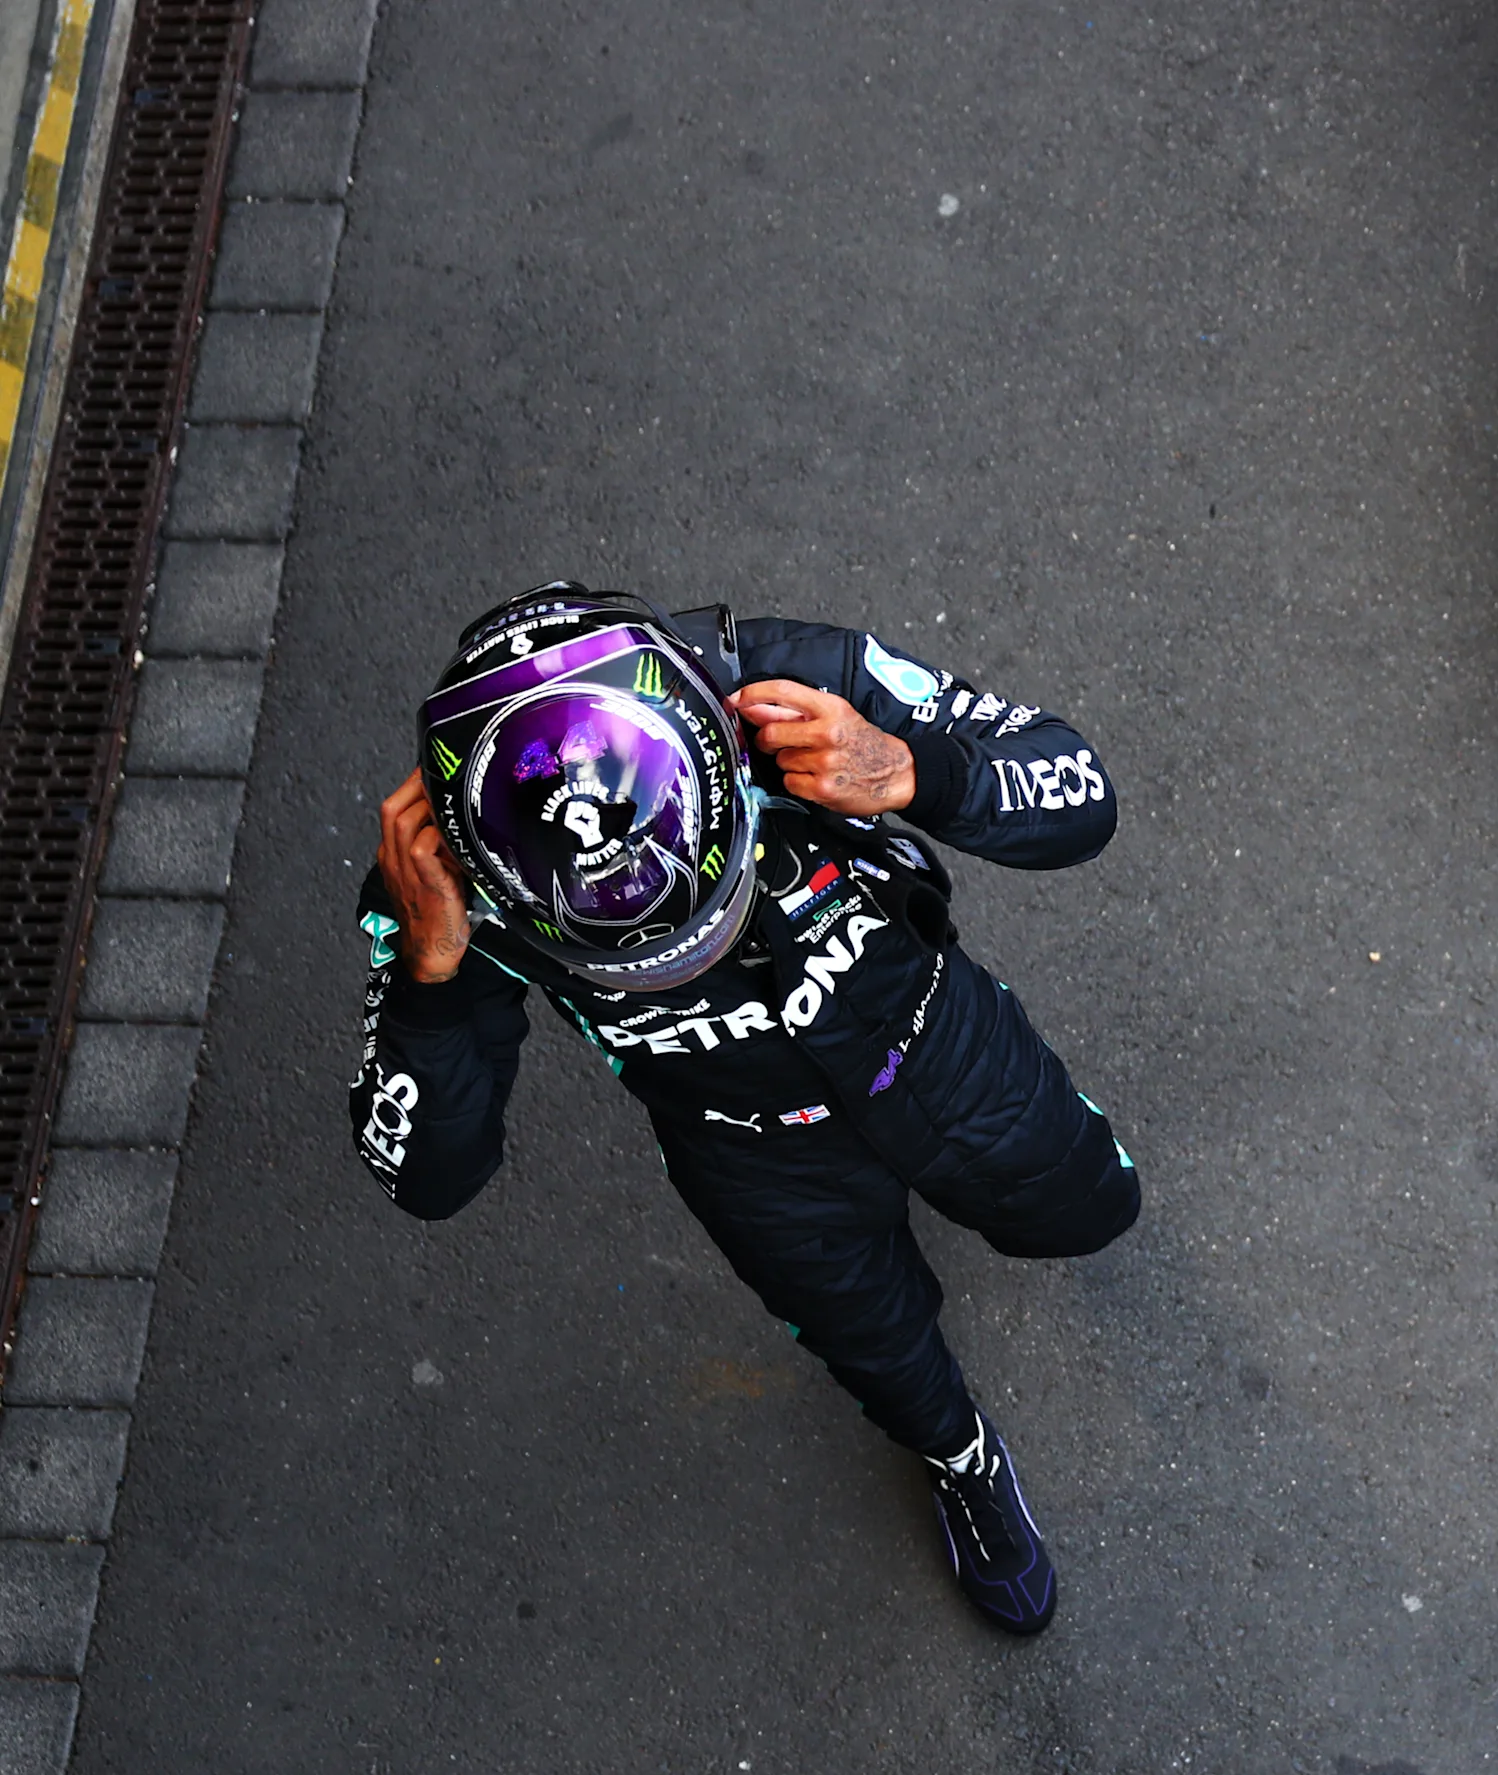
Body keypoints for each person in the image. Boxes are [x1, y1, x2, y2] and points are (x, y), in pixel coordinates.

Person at [348, 585, 1138, 1635]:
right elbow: (423, 1175)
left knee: (1090, 1214)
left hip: (943, 1048)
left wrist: (916, 772)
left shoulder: (781, 679)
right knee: (882, 1350)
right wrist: (426, 979)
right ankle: (960, 1458)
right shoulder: (442, 876)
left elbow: (1080, 789)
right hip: (753, 1164)